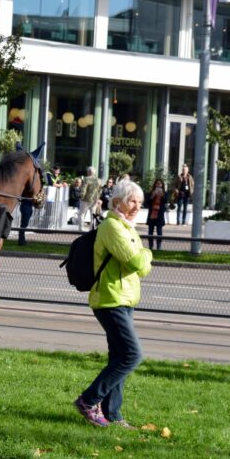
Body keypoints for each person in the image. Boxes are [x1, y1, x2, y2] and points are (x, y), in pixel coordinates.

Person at [74, 179, 152, 428]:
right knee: (132, 354)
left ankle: (113, 414)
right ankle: (88, 400)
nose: (136, 206)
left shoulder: (127, 227)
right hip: (110, 300)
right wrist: (148, 254)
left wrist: (142, 256)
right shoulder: (112, 226)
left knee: (119, 356)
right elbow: (138, 263)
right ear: (117, 202)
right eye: (132, 201)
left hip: (124, 299)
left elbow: (139, 267)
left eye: (140, 202)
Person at [145, 179, 168, 250]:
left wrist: (162, 196)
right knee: (150, 231)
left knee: (159, 231)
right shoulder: (151, 192)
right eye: (157, 184)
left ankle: (159, 247)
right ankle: (150, 246)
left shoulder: (165, 193)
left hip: (160, 214)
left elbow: (165, 201)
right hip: (152, 214)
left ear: (162, 185)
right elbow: (147, 202)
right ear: (155, 185)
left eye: (160, 184)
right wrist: (152, 195)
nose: (158, 185)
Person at [79, 166, 102, 231]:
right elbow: (100, 191)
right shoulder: (99, 180)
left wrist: (81, 197)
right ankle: (92, 228)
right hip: (94, 200)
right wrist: (97, 198)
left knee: (82, 214)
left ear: (89, 172)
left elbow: (84, 189)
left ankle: (81, 229)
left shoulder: (86, 179)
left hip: (86, 199)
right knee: (92, 215)